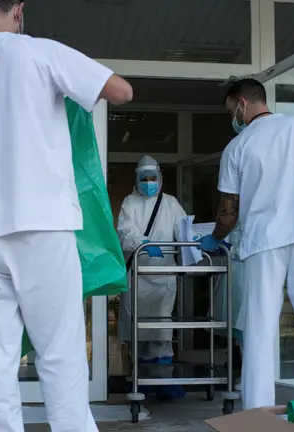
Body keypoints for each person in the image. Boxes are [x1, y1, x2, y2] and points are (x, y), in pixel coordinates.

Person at [0, 1, 133, 431]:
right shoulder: (40, 52)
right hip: (42, 222)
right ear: (19, 9)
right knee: (59, 352)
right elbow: (121, 90)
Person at [198, 78, 294, 410]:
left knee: (260, 327)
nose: (231, 118)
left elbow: (228, 213)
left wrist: (214, 238)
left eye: (230, 111)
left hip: (264, 243)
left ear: (243, 105)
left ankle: (257, 413)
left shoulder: (238, 147)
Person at [117, 155, 187, 400]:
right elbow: (125, 232)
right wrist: (143, 243)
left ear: (160, 179)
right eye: (144, 179)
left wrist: (194, 241)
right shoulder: (130, 202)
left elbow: (182, 228)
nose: (149, 183)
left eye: (153, 178)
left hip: (164, 276)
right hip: (138, 276)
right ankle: (141, 379)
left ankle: (164, 380)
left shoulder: (170, 203)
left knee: (162, 330)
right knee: (139, 332)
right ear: (137, 179)